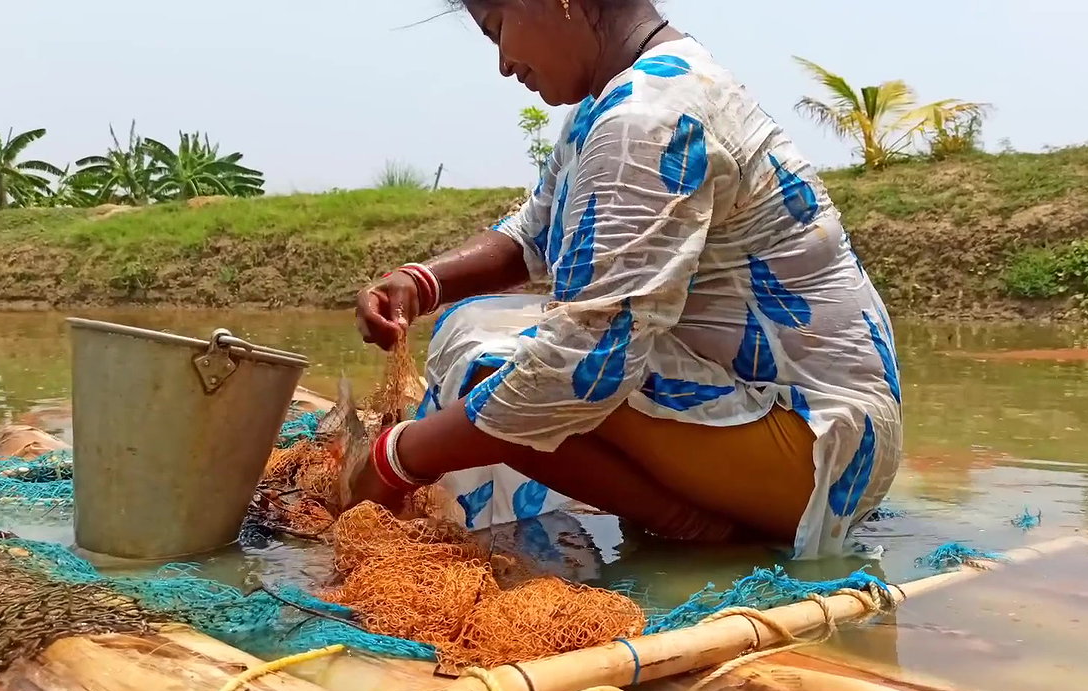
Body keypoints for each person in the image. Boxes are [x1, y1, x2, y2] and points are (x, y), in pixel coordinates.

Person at [349, 0, 902, 559]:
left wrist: (397, 459)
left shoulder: (647, 115)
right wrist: (420, 283)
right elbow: (533, 231)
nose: (504, 63)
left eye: (498, 30)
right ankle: (693, 511)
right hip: (796, 425)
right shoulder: (628, 94)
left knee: (496, 368)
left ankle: (693, 527)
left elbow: (583, 363)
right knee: (474, 328)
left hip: (818, 449)